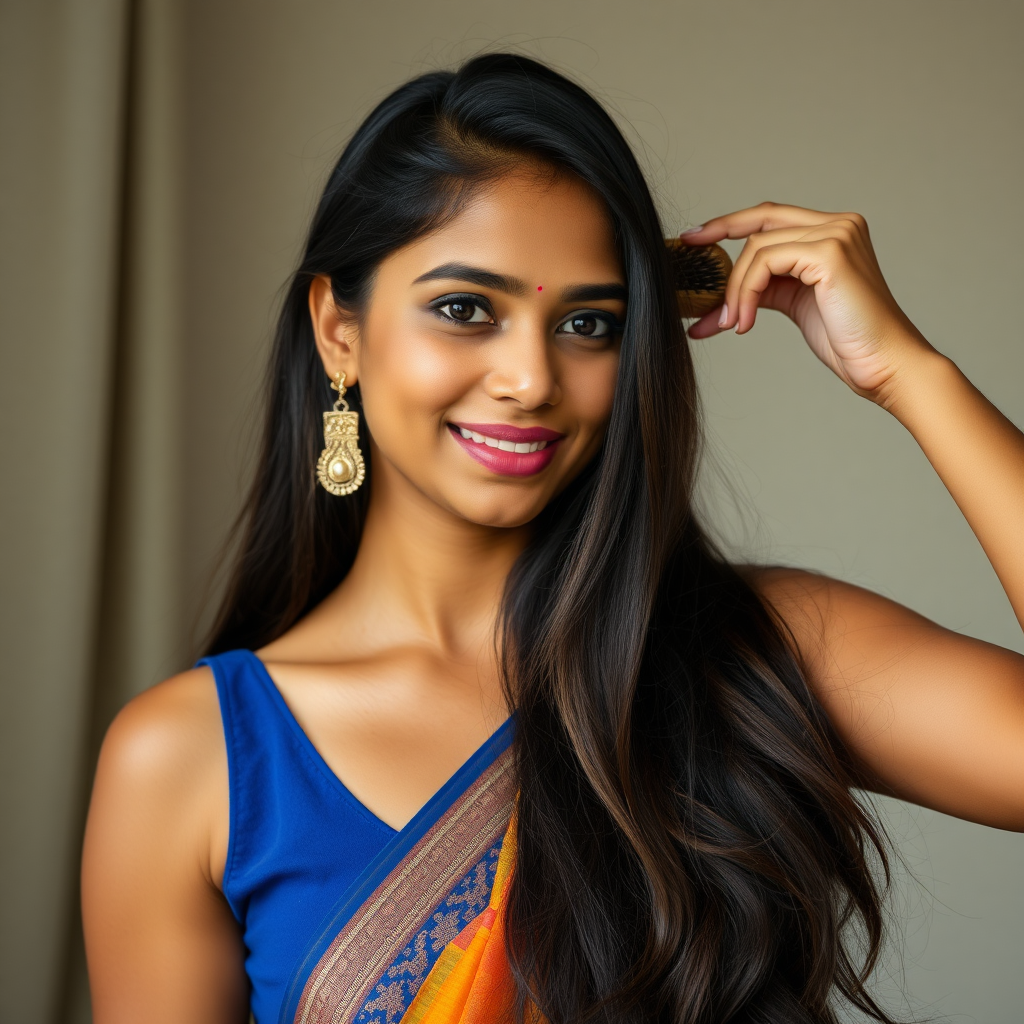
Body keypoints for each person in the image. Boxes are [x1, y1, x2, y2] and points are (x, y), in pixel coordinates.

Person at [81, 53, 1024, 1024]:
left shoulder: (757, 649)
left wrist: (912, 376)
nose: (530, 377)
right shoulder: (192, 757)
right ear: (339, 332)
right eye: (464, 310)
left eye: (586, 323)